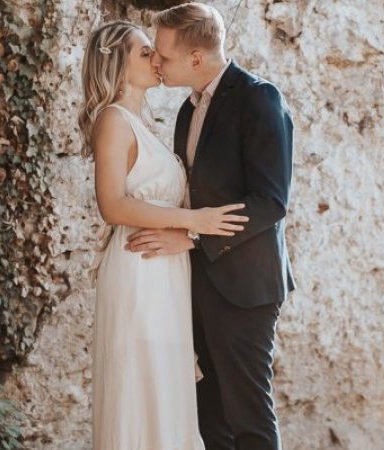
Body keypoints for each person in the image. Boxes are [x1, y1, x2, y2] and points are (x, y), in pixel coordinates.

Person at [126, 4, 296, 450]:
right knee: (208, 416)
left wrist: (190, 235)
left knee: (249, 417)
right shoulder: (187, 110)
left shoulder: (259, 99)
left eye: (162, 53)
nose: (156, 61)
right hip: (200, 282)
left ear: (196, 59)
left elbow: (270, 201)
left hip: (245, 287)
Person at [78, 20, 249, 450]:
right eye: (143, 52)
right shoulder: (113, 121)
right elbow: (112, 205)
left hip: (165, 274)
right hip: (139, 274)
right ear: (116, 65)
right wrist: (197, 221)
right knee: (142, 388)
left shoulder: (144, 123)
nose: (156, 58)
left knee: (165, 389)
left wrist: (187, 234)